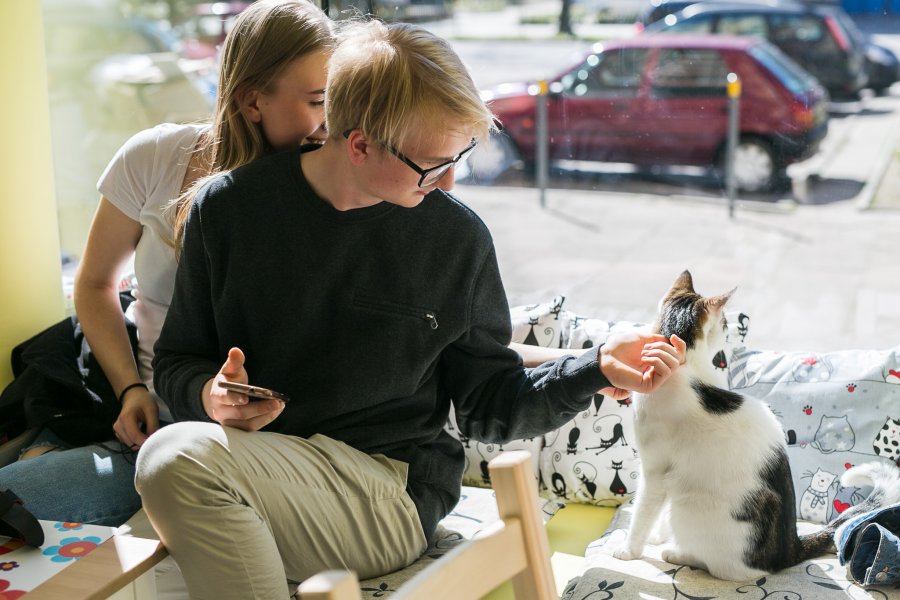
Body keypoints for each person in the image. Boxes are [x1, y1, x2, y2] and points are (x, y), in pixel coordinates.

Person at [136, 18, 686, 599]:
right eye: (431, 164)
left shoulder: (455, 239)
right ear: (360, 143)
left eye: (461, 156)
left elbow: (487, 407)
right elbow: (177, 360)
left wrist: (593, 367)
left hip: (387, 493)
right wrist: (210, 396)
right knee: (177, 462)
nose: (449, 180)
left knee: (173, 460)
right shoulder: (227, 210)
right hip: (251, 470)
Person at [0, 0, 336, 526]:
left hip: (234, 447)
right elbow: (93, 283)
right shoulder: (155, 156)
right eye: (319, 101)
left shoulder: (335, 189)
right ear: (252, 102)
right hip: (146, 416)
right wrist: (131, 389)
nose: (330, 124)